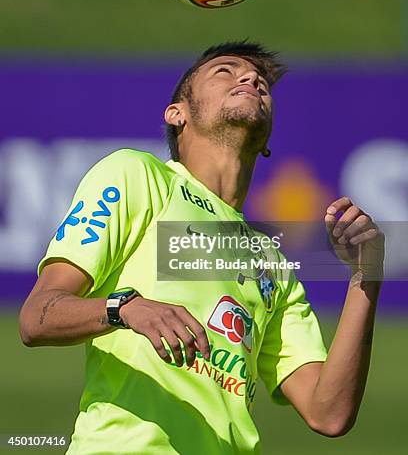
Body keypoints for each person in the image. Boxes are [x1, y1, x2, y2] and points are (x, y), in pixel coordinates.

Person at [19, 42, 385, 454]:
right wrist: (123, 308)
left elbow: (329, 413)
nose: (249, 79)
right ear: (178, 113)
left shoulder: (273, 262)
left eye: (259, 81)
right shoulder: (139, 177)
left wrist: (365, 279)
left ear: (268, 139)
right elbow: (36, 317)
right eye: (225, 72)